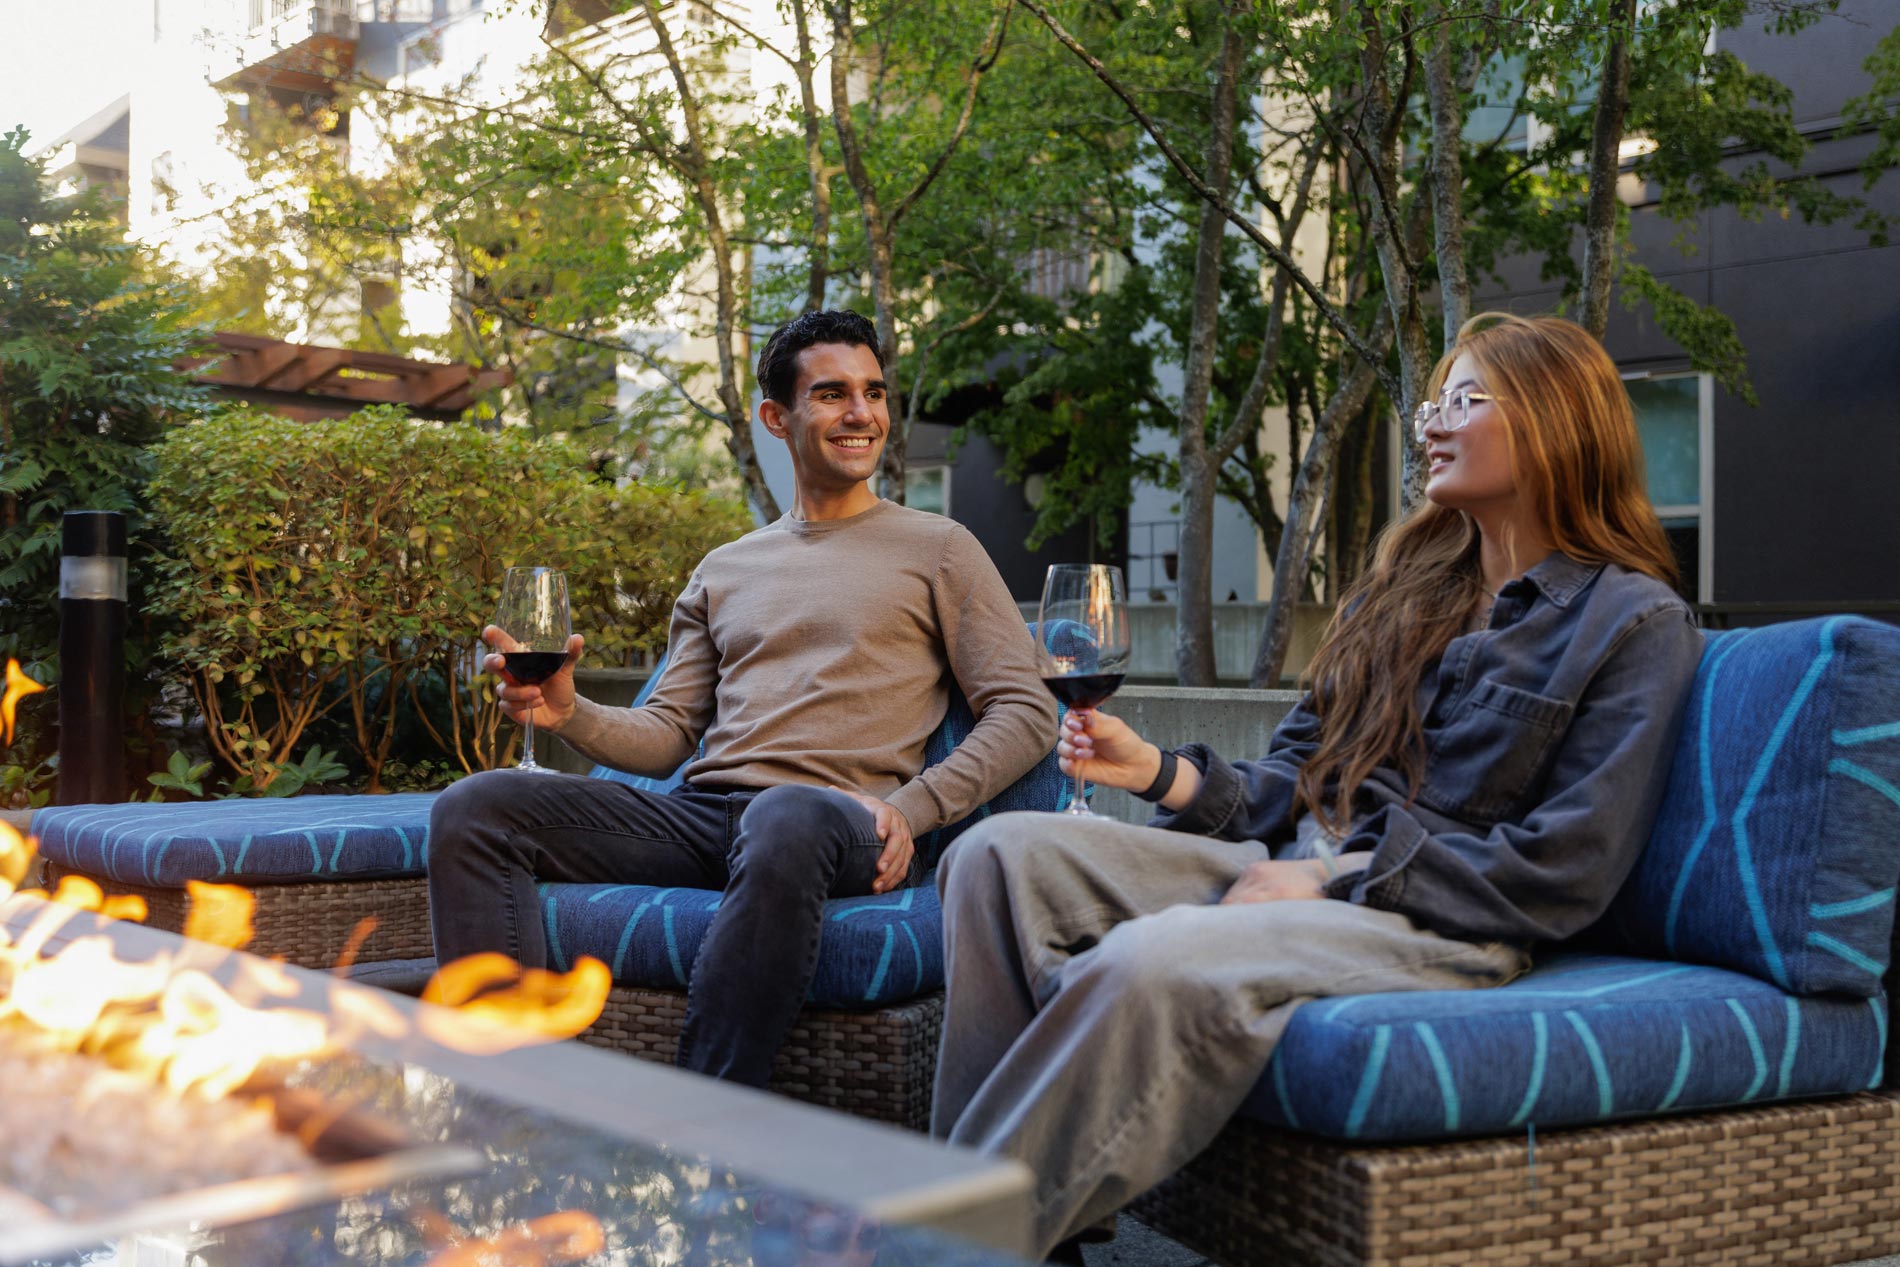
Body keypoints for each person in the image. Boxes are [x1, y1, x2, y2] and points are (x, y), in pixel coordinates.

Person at [929, 313, 1708, 1257]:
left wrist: (1336, 877)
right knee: (998, 853)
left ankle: (951, 1244)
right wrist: (1157, 772)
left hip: (1433, 916)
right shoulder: (1404, 591)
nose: (1433, 423)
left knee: (1157, 959)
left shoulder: (1631, 622)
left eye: (1466, 399)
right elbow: (1289, 779)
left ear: (1556, 420)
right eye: (1434, 402)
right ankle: (1030, 1232)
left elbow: (1567, 868)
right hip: (1289, 867)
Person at [427, 309, 1058, 1087]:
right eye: (831, 394)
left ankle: (708, 1125)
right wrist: (570, 713)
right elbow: (668, 734)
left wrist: (916, 806)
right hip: (705, 818)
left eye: (873, 393)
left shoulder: (940, 548)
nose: (861, 414)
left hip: (833, 823)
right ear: (776, 417)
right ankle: (505, 1092)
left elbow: (1029, 710)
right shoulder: (725, 567)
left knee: (783, 812)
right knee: (475, 807)